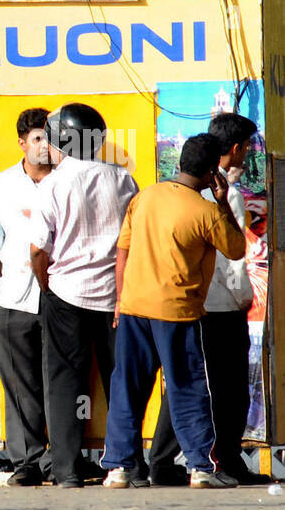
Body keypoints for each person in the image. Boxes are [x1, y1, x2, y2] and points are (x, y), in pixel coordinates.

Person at [101, 133, 246, 489]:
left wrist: (120, 300)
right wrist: (223, 201)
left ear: (179, 162)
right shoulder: (207, 211)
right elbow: (237, 248)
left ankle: (118, 467)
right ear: (214, 172)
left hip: (134, 307)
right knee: (187, 387)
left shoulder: (145, 196)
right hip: (177, 312)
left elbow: (123, 252)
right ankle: (201, 467)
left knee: (127, 387)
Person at [148, 114, 276, 486]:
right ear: (235, 149)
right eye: (248, 148)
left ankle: (161, 459)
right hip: (219, 305)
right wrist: (242, 300)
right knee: (229, 388)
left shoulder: (171, 190)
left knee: (185, 382)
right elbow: (233, 259)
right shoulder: (227, 196)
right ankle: (224, 460)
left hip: (184, 301)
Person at [28, 103, 138, 487]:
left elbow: (39, 250)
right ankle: (127, 465)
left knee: (66, 382)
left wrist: (46, 285)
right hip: (116, 296)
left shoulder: (53, 184)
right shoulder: (123, 180)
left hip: (66, 293)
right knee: (119, 379)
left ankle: (67, 469)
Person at [0, 107, 55, 486]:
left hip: (61, 297)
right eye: (37, 138)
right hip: (13, 298)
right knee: (19, 384)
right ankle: (27, 461)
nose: (43, 145)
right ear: (22, 143)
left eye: (49, 137)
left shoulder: (67, 181)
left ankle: (60, 459)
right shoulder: (3, 185)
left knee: (59, 381)